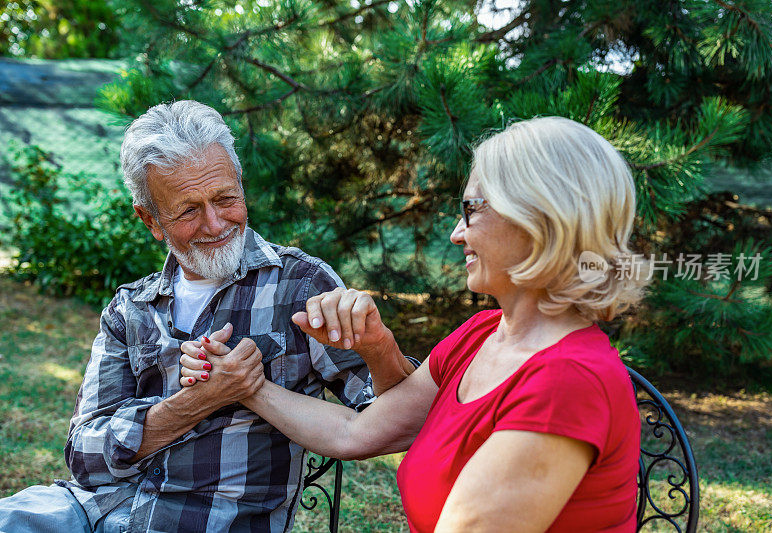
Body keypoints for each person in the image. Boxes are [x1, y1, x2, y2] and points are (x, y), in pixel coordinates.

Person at [181, 116, 648, 531]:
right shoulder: (482, 334)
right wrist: (244, 384)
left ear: (540, 221)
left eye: (472, 209)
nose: (456, 232)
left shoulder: (567, 379)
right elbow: (353, 432)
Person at [0, 100, 415, 532]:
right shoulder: (130, 308)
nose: (215, 223)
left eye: (225, 198)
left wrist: (377, 346)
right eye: (188, 210)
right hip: (92, 510)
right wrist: (200, 399)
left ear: (241, 184)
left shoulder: (300, 286)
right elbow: (85, 456)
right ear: (152, 221)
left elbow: (398, 418)